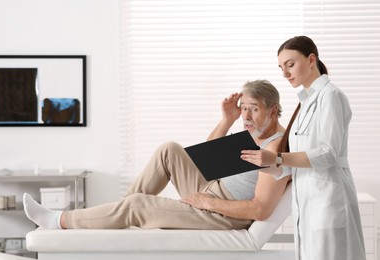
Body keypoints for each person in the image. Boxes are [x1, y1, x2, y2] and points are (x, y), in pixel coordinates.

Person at [23, 80, 290, 230]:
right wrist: (226, 120)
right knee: (169, 150)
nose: (246, 116)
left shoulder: (274, 149)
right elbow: (207, 160)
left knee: (137, 204)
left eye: (253, 109)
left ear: (273, 110)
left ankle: (59, 221)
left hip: (226, 213)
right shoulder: (255, 132)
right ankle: (117, 216)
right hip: (213, 188)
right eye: (243, 109)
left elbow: (259, 209)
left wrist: (208, 203)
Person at [241, 36, 366, 260]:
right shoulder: (304, 103)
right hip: (307, 205)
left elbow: (327, 153)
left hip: (328, 201)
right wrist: (267, 163)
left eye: (290, 64)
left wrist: (277, 158)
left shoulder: (331, 96)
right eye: (281, 68)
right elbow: (294, 164)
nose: (285, 73)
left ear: (311, 60)